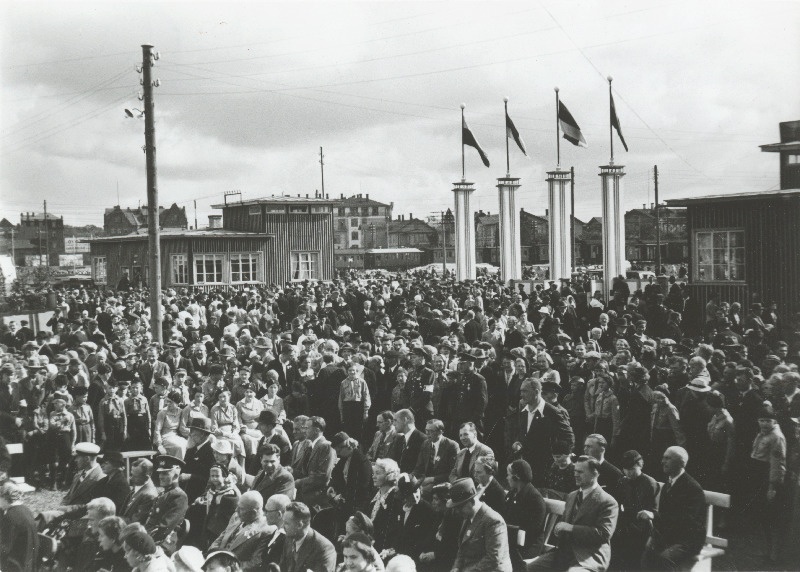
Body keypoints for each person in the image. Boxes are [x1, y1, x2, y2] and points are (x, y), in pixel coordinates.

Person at [527, 456, 619, 572]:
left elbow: (603, 534)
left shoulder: (607, 501)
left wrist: (571, 528)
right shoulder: (572, 496)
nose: (575, 474)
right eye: (575, 471)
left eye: (580, 472)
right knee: (529, 569)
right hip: (564, 554)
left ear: (595, 473)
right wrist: (559, 530)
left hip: (588, 556)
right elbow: (564, 524)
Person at [639, 446, 706, 571]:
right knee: (647, 555)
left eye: (667, 458)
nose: (662, 461)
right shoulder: (668, 485)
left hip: (688, 541)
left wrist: (654, 516)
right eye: (663, 458)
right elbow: (666, 517)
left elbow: (687, 520)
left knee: (665, 559)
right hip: (672, 536)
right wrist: (654, 536)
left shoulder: (692, 488)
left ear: (681, 463)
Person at [509, 378, 574, 487]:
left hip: (545, 469)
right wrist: (517, 442)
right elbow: (521, 434)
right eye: (521, 391)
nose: (522, 394)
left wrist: (561, 458)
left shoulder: (552, 412)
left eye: (525, 391)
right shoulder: (524, 411)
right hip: (527, 466)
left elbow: (568, 437)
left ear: (536, 392)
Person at [447, 477, 512, 572]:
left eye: (459, 507)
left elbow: (493, 559)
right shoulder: (468, 517)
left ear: (471, 501)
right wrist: (456, 567)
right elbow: (462, 550)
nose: (456, 511)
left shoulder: (493, 521)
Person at [749, 405, 788, 562]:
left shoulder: (776, 437)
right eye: (761, 420)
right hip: (759, 476)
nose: (764, 424)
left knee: (770, 516)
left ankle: (774, 553)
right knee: (762, 515)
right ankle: (766, 549)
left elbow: (777, 465)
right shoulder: (763, 433)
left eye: (768, 421)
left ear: (774, 421)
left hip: (768, 479)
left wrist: (772, 487)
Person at [611, 450, 659, 571]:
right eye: (625, 469)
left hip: (644, 524)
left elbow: (653, 511)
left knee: (627, 544)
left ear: (640, 465)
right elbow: (617, 503)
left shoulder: (649, 483)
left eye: (632, 469)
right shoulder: (623, 481)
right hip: (627, 521)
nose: (628, 472)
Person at [208, 491, 276, 570]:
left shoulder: (266, 530)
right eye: (238, 506)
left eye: (241, 508)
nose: (236, 510)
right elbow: (221, 538)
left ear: (253, 512)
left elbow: (255, 562)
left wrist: (226, 568)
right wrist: (211, 555)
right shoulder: (236, 516)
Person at [504, 459, 546, 570]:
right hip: (513, 540)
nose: (507, 478)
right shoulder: (513, 493)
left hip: (528, 545)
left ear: (516, 477)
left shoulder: (534, 498)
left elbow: (531, 531)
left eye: (508, 475)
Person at [145, 455, 189, 556]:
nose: (160, 476)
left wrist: (144, 539)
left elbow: (164, 527)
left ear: (176, 474)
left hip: (164, 543)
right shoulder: (163, 493)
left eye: (165, 473)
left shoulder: (179, 496)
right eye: (160, 473)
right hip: (152, 537)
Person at [280, 501, 337, 572]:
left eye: (286, 523)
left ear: (299, 525)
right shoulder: (289, 538)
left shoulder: (324, 549)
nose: (282, 526)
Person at [295, 416, 337, 506]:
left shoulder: (326, 446)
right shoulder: (311, 446)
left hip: (317, 498)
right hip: (306, 494)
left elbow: (323, 476)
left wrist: (299, 482)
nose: (304, 431)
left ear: (316, 430)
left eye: (307, 428)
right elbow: (304, 471)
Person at [328, 432, 374, 515]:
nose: (337, 453)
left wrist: (341, 496)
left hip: (358, 504)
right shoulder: (345, 459)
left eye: (339, 450)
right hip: (346, 499)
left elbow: (361, 487)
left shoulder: (362, 461)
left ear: (348, 447)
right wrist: (333, 487)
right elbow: (336, 475)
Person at [412, 418, 459, 497]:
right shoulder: (425, 444)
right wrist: (410, 476)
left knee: (419, 494)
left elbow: (453, 473)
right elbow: (419, 467)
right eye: (426, 430)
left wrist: (432, 479)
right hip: (425, 481)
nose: (427, 434)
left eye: (431, 431)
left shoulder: (451, 446)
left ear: (441, 431)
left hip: (442, 483)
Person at [0, 481, 38, 572]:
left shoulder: (10, 516)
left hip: (16, 566)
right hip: (29, 563)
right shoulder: (26, 510)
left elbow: (4, 548)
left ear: (4, 498)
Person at [368, 458, 401, 551]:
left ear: (389, 475)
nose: (373, 477)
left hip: (383, 548)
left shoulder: (395, 498)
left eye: (378, 473)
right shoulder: (374, 494)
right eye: (373, 473)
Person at [388, 408, 426, 474]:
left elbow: (421, 467)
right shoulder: (399, 439)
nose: (393, 424)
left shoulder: (423, 439)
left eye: (395, 420)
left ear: (405, 420)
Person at [122, 459, 159, 525]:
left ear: (147, 476)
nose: (131, 478)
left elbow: (136, 522)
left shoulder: (149, 495)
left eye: (135, 476)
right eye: (131, 474)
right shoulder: (139, 484)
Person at [154, 390, 188, 461]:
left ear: (177, 403)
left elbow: (183, 427)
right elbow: (157, 430)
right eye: (167, 401)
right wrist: (159, 445)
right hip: (165, 438)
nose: (168, 404)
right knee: (180, 447)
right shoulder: (162, 413)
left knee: (187, 444)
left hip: (175, 436)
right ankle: (177, 466)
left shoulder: (181, 412)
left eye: (171, 402)